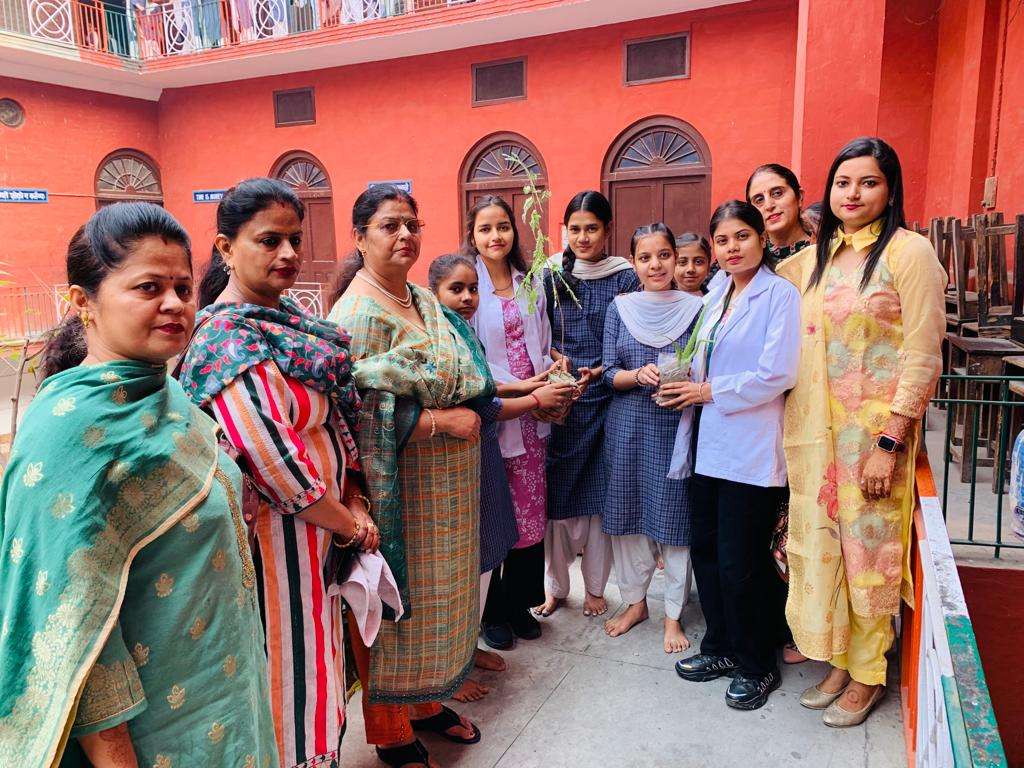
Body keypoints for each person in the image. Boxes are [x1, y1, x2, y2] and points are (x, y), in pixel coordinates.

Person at [0, 203, 277, 766]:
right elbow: (76, 630)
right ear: (83, 303)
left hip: (227, 698)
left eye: (182, 286)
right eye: (149, 287)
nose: (175, 303)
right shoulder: (66, 437)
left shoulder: (169, 398)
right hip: (155, 737)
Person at [179, 178, 372, 768]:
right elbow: (275, 464)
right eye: (268, 240)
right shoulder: (226, 340)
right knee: (289, 680)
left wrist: (355, 498)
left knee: (320, 670)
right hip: (275, 549)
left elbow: (336, 420)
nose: (287, 254)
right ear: (225, 247)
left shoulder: (288, 324)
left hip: (318, 543)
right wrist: (350, 526)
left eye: (293, 239)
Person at [777, 137, 945, 727]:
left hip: (874, 442)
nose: (852, 193)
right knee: (829, 549)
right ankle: (843, 661)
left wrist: (891, 440)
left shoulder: (910, 253)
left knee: (870, 556)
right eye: (842, 182)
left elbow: (923, 355)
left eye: (867, 182)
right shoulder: (816, 259)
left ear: (890, 190)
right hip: (819, 438)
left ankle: (870, 672)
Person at [328, 186, 488, 768]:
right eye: (390, 225)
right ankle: (391, 728)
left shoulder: (421, 298)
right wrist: (442, 421)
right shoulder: (356, 313)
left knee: (436, 603)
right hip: (397, 495)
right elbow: (351, 411)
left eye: (412, 224)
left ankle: (424, 702)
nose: (405, 236)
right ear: (360, 237)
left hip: (447, 494)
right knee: (392, 605)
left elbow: (468, 370)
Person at [662, 200, 801, 711]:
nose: (731, 248)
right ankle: (720, 646)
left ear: (762, 239)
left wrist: (706, 392)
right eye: (722, 240)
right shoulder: (716, 292)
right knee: (708, 552)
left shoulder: (779, 295)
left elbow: (777, 373)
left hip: (750, 448)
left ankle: (756, 663)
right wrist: (682, 384)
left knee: (742, 563)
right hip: (706, 445)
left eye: (742, 237)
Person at [427, 253, 572, 702]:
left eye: (472, 290)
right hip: (462, 453)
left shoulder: (470, 324)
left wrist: (533, 386)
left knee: (504, 536)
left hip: (497, 440)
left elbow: (486, 388)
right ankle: (457, 659)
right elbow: (480, 402)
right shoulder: (441, 335)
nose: (468, 298)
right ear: (434, 293)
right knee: (470, 555)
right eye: (456, 290)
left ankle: (476, 644)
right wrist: (533, 396)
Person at [536, 190, 641, 619]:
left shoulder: (624, 277)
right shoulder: (549, 275)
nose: (582, 237)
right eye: (575, 229)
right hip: (561, 399)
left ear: (607, 230)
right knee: (557, 499)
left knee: (599, 498)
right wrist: (555, 361)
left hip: (605, 398)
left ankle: (596, 588)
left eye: (591, 228)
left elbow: (631, 335)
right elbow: (537, 332)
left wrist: (601, 368)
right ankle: (557, 587)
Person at [462, 195, 559, 648]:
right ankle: (492, 612)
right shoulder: (469, 289)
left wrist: (553, 373)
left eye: (503, 227)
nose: (495, 236)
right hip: (497, 414)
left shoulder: (531, 282)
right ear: (473, 236)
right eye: (485, 229)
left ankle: (521, 602)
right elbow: (472, 359)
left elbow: (543, 339)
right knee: (497, 514)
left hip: (535, 418)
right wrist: (526, 390)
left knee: (529, 513)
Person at [602, 223, 703, 653]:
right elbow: (608, 372)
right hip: (627, 428)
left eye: (664, 255)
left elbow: (706, 369)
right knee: (628, 520)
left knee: (675, 523)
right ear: (634, 262)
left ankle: (673, 616)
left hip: (675, 428)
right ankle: (635, 602)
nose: (656, 265)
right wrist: (633, 375)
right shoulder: (619, 307)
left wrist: (684, 382)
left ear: (675, 259)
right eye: (645, 257)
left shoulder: (698, 308)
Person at [746, 163, 814, 265]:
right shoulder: (745, 259)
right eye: (759, 200)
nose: (769, 206)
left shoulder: (824, 253)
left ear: (799, 197)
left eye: (777, 193)